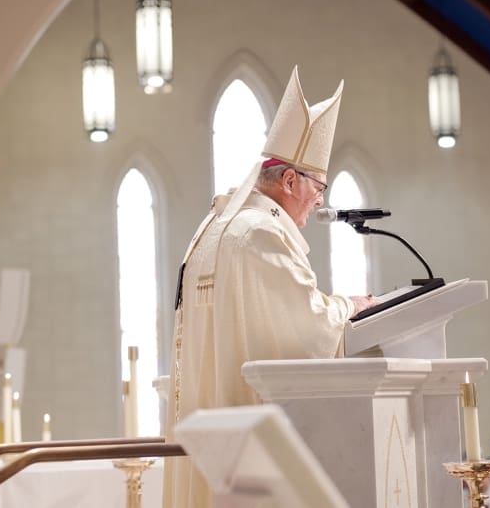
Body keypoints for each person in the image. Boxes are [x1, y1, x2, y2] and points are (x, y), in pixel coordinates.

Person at [162, 65, 379, 508]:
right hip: (247, 437)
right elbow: (309, 326)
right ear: (290, 180)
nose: (321, 199)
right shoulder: (261, 233)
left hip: (215, 429)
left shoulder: (217, 226)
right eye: (319, 186)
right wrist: (350, 306)